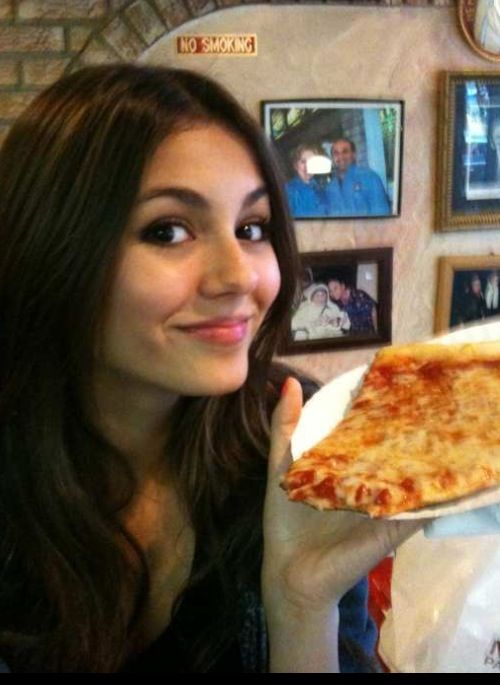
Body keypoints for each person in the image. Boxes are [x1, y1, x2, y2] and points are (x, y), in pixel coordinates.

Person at [0, 63, 420, 673]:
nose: (240, 276)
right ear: (48, 247)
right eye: (168, 231)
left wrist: (303, 609)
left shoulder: (291, 431)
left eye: (252, 227)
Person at [326, 138, 390, 217]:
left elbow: (382, 216)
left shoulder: (370, 178)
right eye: (336, 153)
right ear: (332, 158)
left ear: (354, 155)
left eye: (345, 152)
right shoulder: (330, 188)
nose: (341, 156)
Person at [285, 144, 328, 218]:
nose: (307, 166)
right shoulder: (288, 191)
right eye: (303, 161)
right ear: (295, 165)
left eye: (311, 161)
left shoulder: (322, 190)